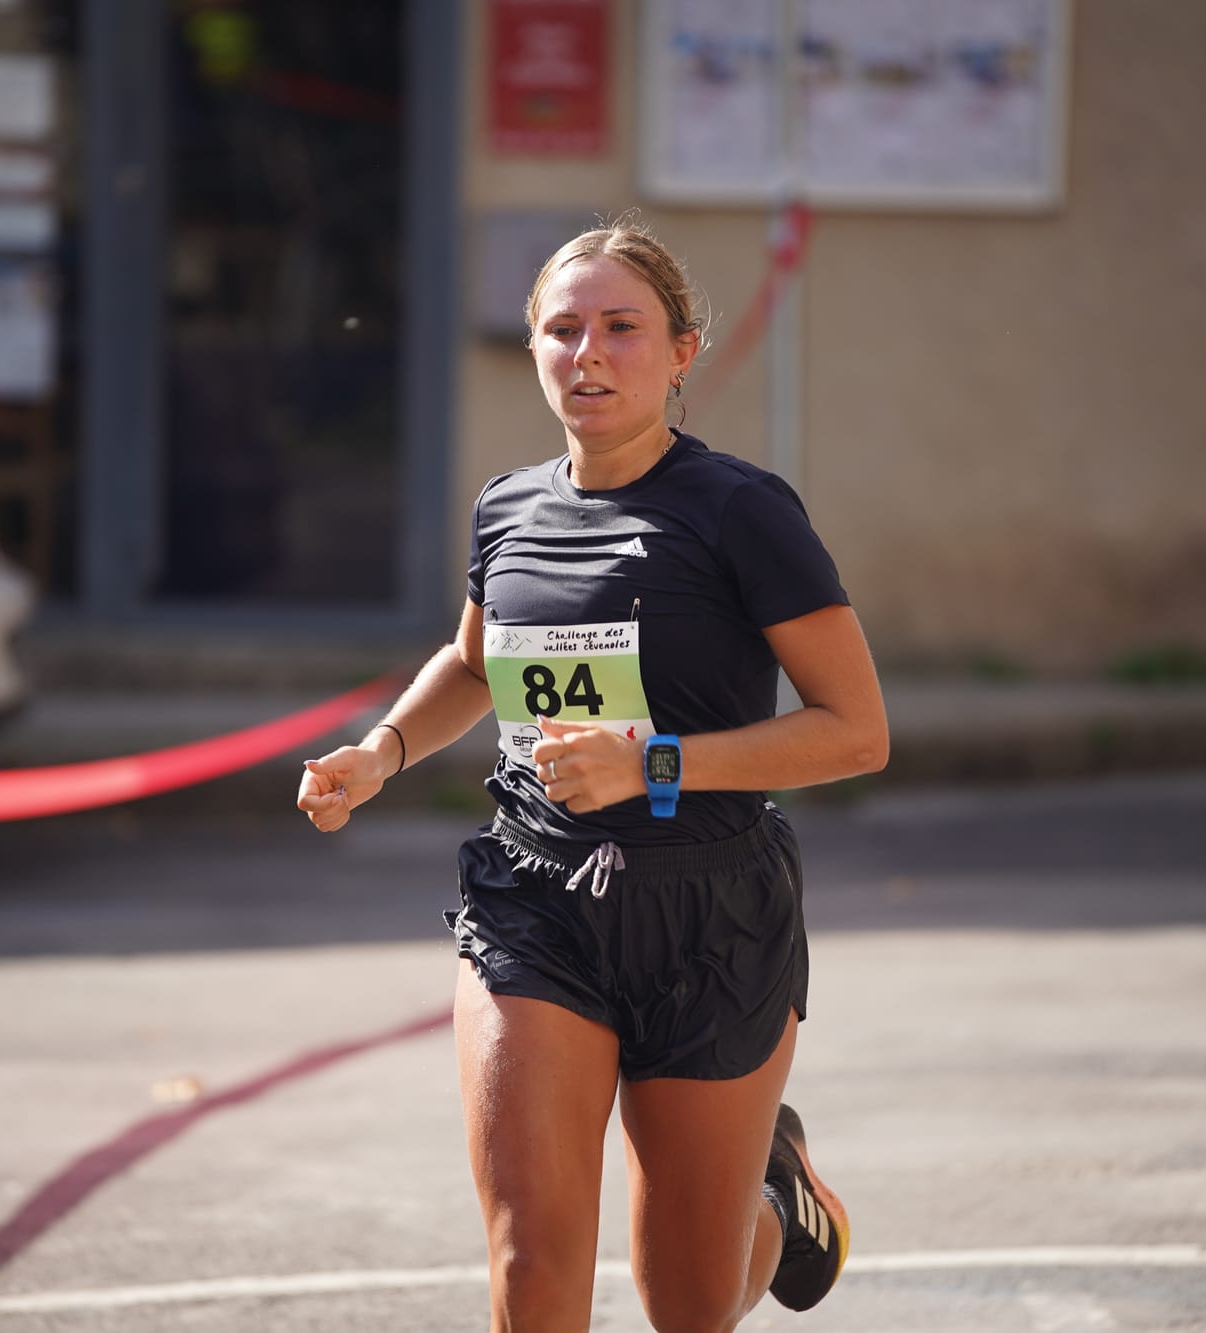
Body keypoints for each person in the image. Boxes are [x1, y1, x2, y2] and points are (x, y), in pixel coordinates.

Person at [296, 216, 888, 1332]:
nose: (589, 353)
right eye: (562, 329)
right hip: (536, 899)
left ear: (680, 352)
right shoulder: (507, 508)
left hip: (711, 910)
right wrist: (381, 751)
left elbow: (855, 731)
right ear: (531, 349)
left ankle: (778, 1196)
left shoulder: (739, 511)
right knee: (531, 1255)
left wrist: (653, 763)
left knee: (688, 1301)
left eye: (622, 327)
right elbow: (474, 664)